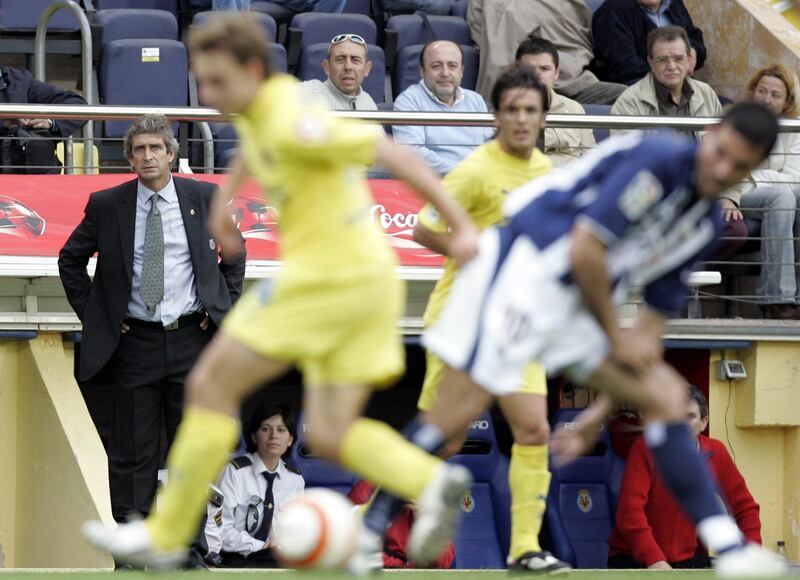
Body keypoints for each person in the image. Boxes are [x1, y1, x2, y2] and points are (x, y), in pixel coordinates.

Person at [82, 13, 480, 573]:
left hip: (327, 279)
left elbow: (396, 155)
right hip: (366, 283)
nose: (208, 92)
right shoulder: (267, 121)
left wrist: (459, 227)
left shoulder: (295, 117)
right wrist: (225, 206)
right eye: (202, 79)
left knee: (208, 385)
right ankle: (429, 480)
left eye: (217, 80)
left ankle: (165, 534)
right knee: (335, 432)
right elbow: (252, 161)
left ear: (250, 70)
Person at [361, 102, 787, 578]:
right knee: (456, 416)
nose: (723, 169)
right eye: (722, 153)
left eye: (740, 167)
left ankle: (729, 549)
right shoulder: (657, 158)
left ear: (754, 172)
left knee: (667, 395)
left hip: (577, 303)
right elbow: (586, 250)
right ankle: (370, 526)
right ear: (710, 133)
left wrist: (595, 415)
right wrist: (611, 337)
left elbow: (644, 343)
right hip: (521, 271)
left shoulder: (705, 224)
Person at [58, 114, 246, 524]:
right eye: (139, 150)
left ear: (171, 153)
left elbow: (234, 255)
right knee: (131, 451)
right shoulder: (107, 205)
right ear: (129, 158)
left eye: (155, 148)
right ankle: (132, 544)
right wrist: (98, 316)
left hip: (192, 340)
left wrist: (221, 310)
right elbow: (70, 260)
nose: (148, 156)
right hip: (133, 343)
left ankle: (188, 547)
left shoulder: (204, 197)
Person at [608, 385, 761, 570]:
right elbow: (630, 513)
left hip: (687, 561)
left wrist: (750, 555)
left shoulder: (715, 452)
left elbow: (746, 509)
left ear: (704, 422)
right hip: (634, 559)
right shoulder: (645, 450)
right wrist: (654, 559)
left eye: (690, 416)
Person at [732, 65, 800, 319]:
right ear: (752, 92)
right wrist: (765, 181)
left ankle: (797, 299)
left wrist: (756, 176)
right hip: (738, 193)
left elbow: (796, 178)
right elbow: (730, 174)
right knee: (782, 196)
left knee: (791, 195)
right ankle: (777, 300)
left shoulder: (793, 130)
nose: (767, 99)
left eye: (775, 95)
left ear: (786, 102)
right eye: (762, 91)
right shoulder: (735, 119)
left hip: (763, 188)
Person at [467, 0, 626, 105]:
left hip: (576, 83)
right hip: (529, 86)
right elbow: (498, 57)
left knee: (628, 98)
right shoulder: (501, 5)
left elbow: (580, 35)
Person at [203, 403, 304, 568]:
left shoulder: (295, 479)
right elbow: (222, 530)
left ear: (291, 439)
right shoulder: (235, 472)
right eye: (265, 429)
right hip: (238, 557)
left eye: (281, 430)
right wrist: (261, 547)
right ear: (254, 436)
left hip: (279, 557)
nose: (274, 436)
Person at [392, 40, 494, 175]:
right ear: (422, 71)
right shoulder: (408, 101)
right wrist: (462, 174)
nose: (445, 73)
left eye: (452, 66)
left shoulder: (475, 100)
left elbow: (489, 147)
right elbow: (412, 153)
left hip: (477, 181)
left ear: (461, 71)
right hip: (432, 184)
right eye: (436, 66)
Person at [610, 26, 721, 138]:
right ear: (651, 62)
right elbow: (628, 154)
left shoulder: (707, 94)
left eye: (678, 59)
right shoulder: (629, 103)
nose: (671, 66)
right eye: (662, 60)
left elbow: (723, 147)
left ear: (689, 60)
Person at [515, 38, 596, 167]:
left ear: (556, 73)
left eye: (545, 69)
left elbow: (592, 160)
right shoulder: (505, 112)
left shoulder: (575, 109)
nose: (537, 75)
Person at [593, 0, 706, 86]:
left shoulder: (674, 4)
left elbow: (696, 40)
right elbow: (622, 67)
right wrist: (669, 72)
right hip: (639, 92)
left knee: (720, 108)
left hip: (682, 87)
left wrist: (693, 50)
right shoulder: (613, 11)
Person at [0, 64, 87, 174]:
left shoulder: (21, 81)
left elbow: (78, 104)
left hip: (27, 175)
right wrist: (5, 118)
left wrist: (50, 121)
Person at [348, 480, 455, 569]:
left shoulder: (426, 496)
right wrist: (408, 569)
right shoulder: (365, 492)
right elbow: (362, 551)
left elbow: (445, 563)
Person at [300, 34, 377, 111]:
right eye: (340, 60)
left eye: (355, 60)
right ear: (327, 67)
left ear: (367, 69)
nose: (348, 67)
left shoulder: (369, 104)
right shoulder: (306, 93)